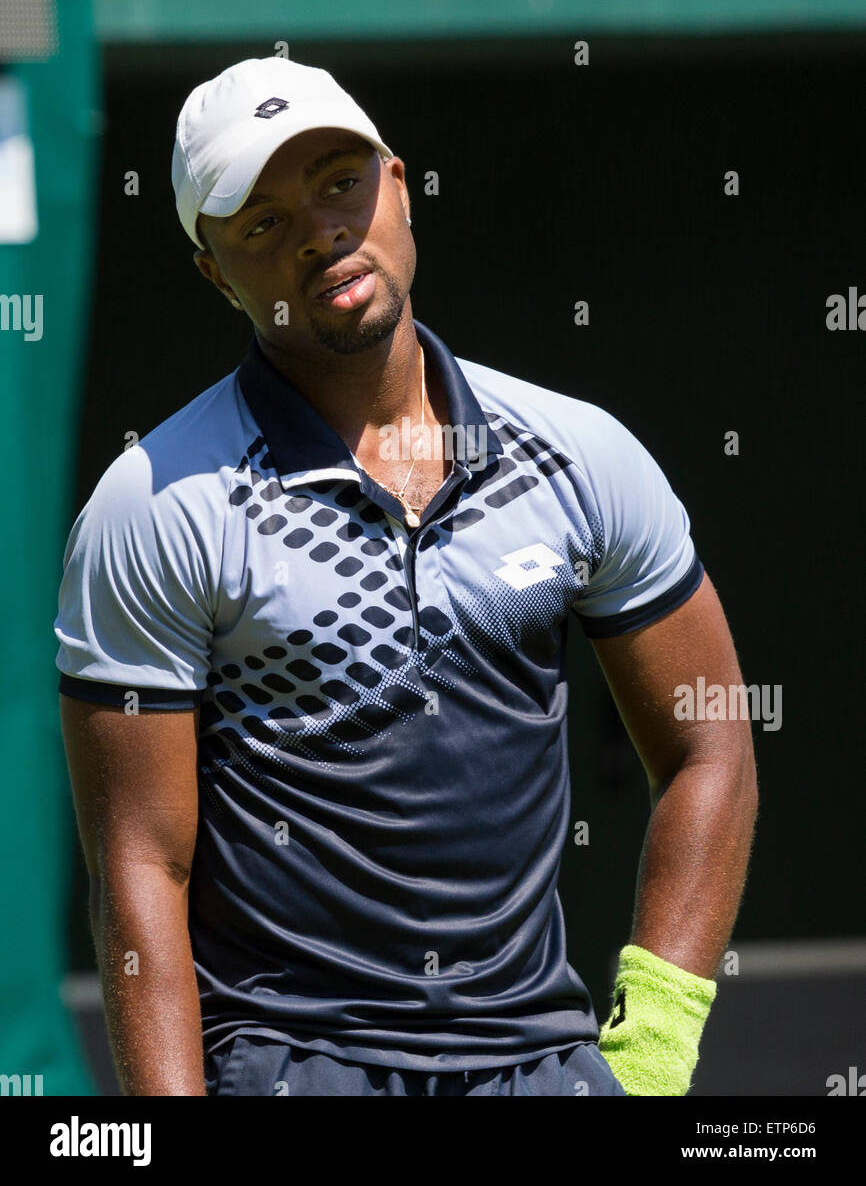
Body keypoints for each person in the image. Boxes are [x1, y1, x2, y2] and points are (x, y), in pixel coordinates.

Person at [56, 57, 757, 1097]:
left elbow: (709, 740)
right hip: (291, 1070)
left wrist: (650, 1053)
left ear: (396, 182)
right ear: (212, 269)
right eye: (260, 222)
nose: (318, 233)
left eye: (339, 183)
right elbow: (139, 872)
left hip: (541, 1068)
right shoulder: (153, 506)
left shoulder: (581, 455)